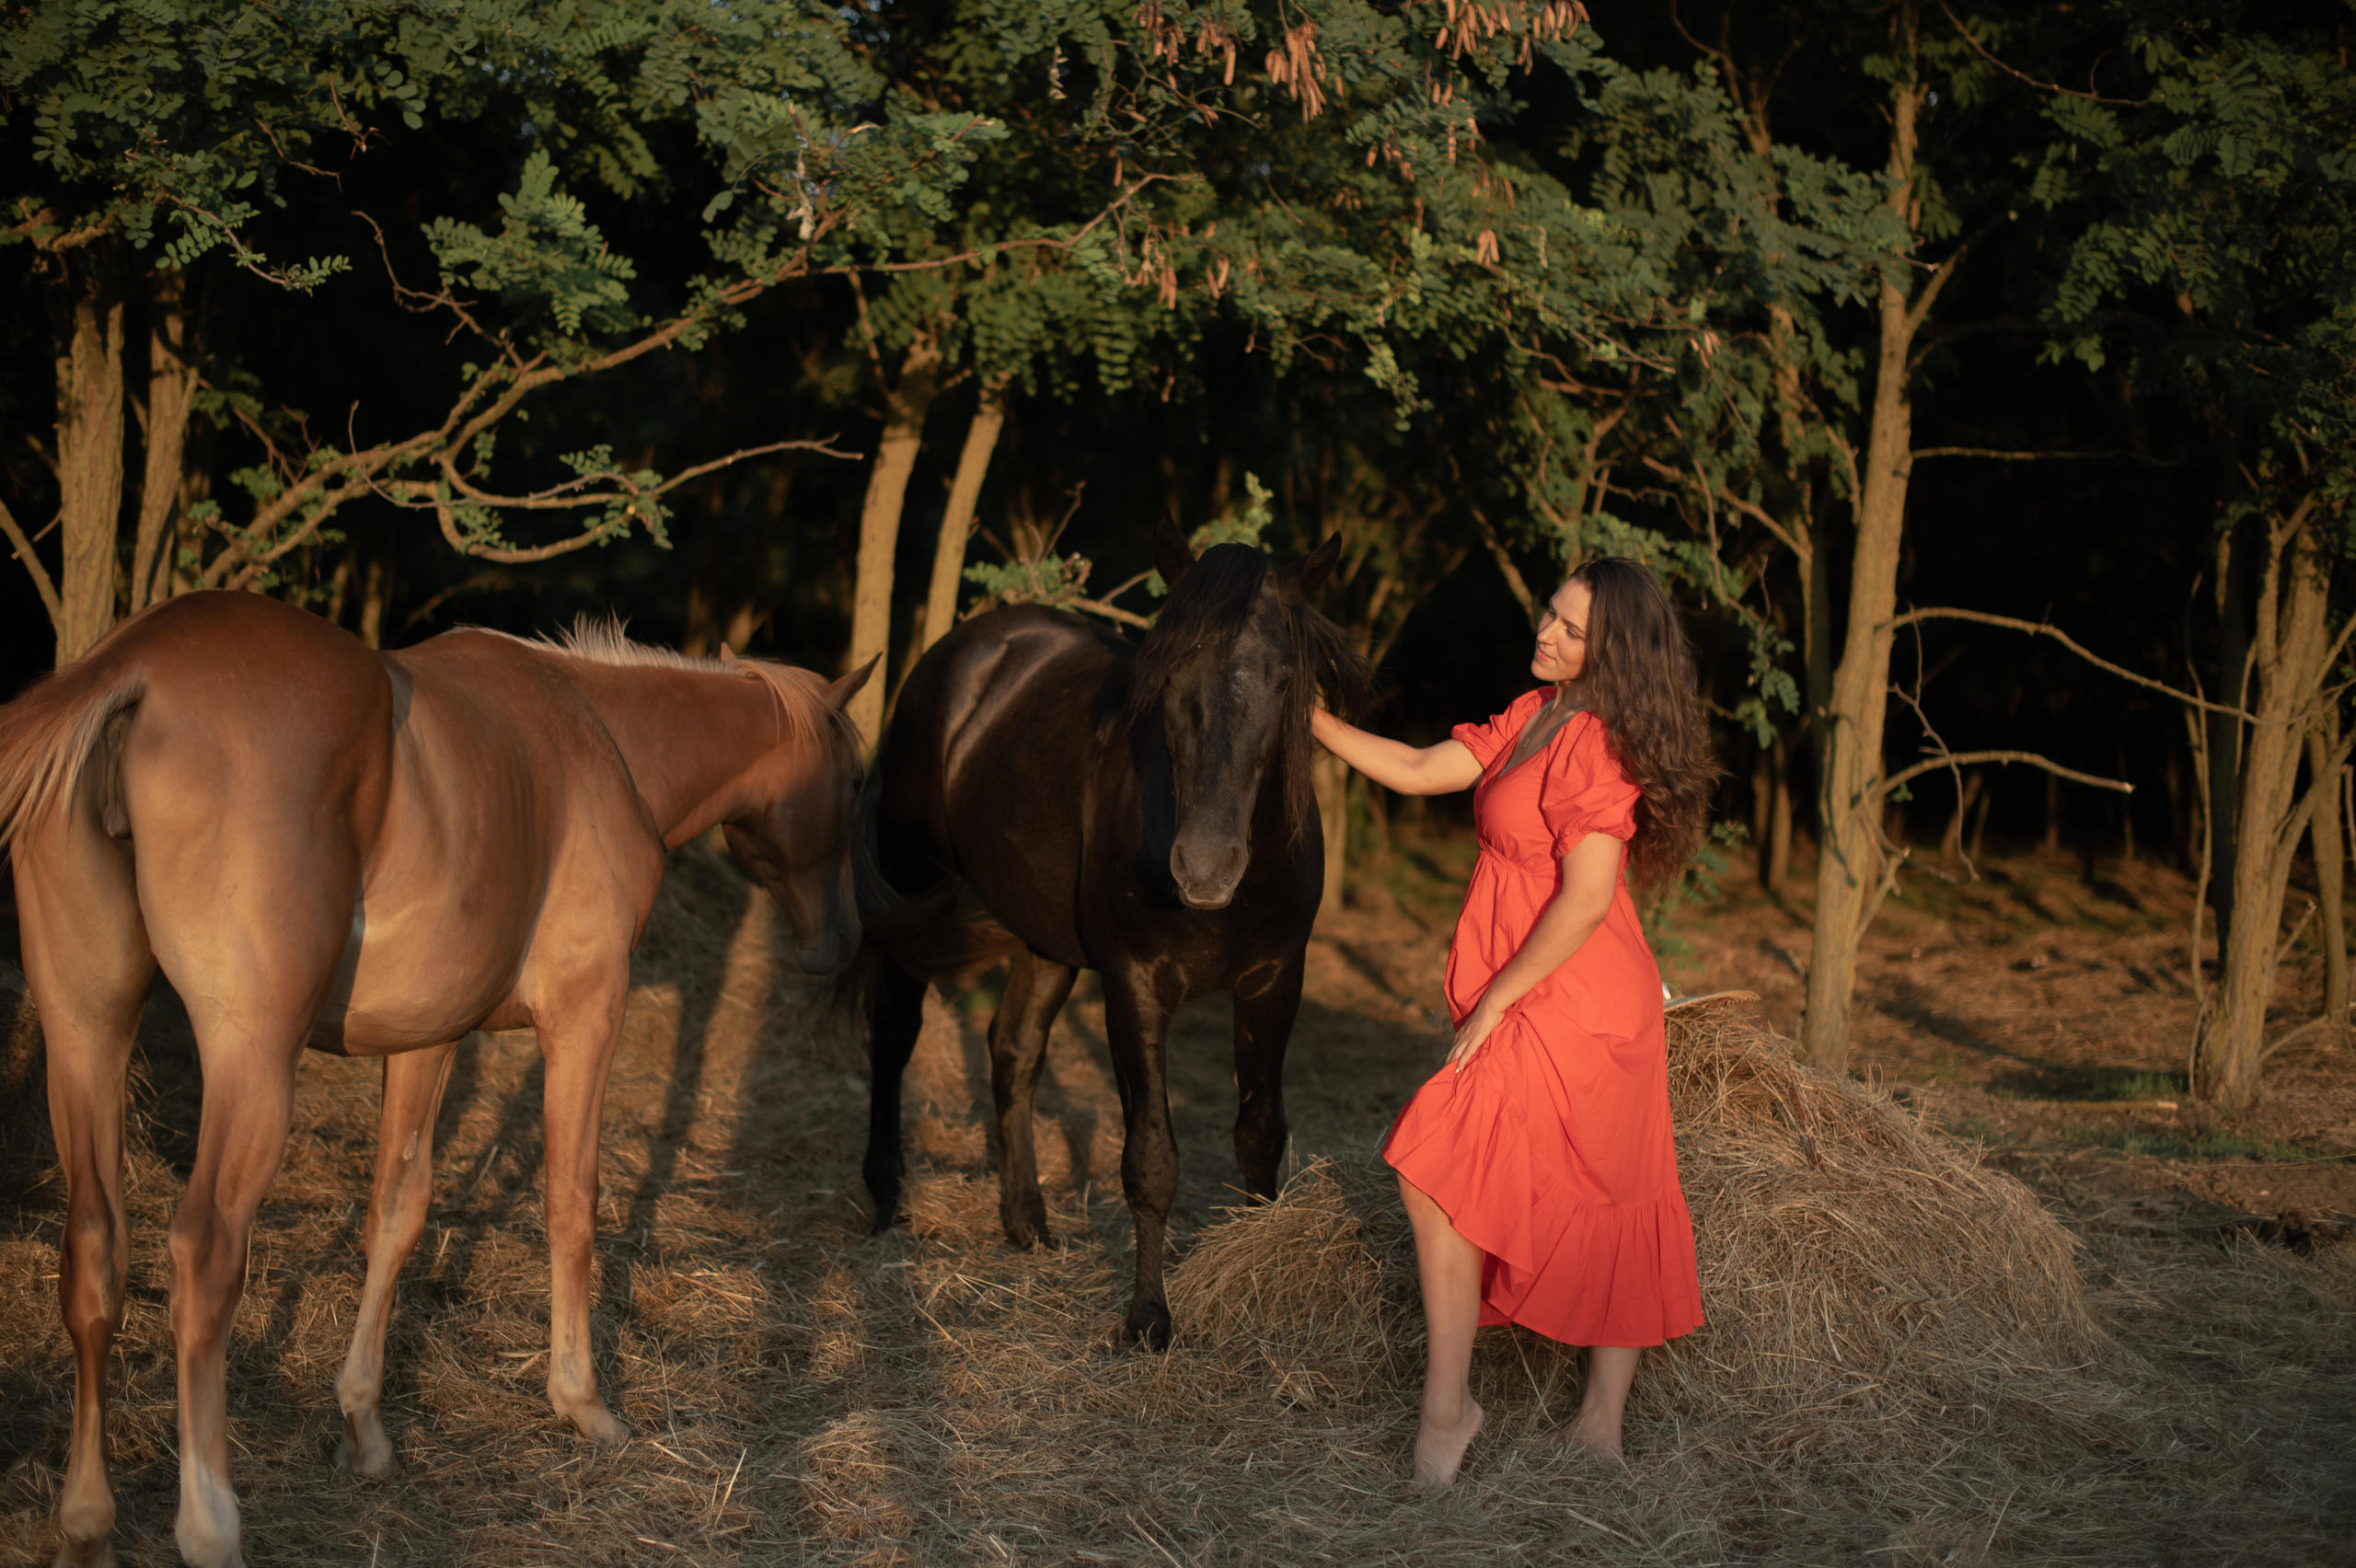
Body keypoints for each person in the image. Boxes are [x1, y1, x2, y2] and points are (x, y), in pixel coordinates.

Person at [1308, 557, 1718, 1490]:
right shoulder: (1536, 715)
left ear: (1615, 652)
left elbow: (1585, 899)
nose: (1548, 632)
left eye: (1574, 630)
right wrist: (1313, 721)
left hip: (1574, 994)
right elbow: (1420, 768)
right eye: (1550, 613)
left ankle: (1577, 1425)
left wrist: (1496, 998)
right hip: (1536, 983)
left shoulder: (1596, 743)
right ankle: (1467, 1411)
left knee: (1569, 1183)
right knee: (1468, 1173)